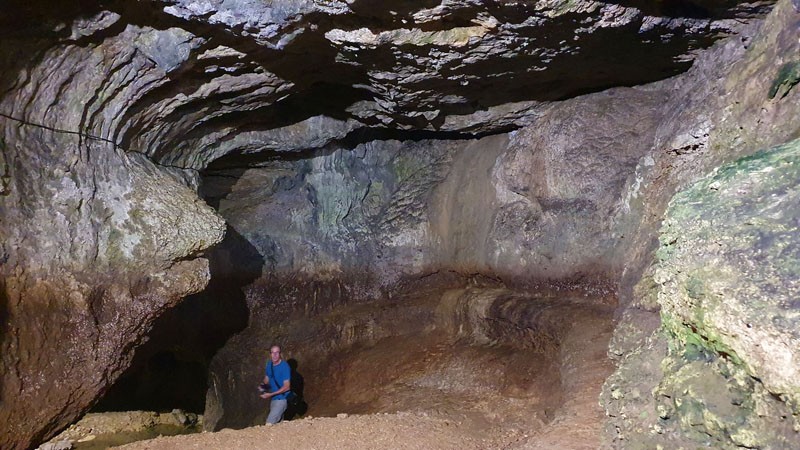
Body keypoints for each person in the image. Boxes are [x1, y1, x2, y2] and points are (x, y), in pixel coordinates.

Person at [260, 345, 291, 424]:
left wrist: (270, 394)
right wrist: (262, 388)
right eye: (273, 353)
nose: (275, 355)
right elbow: (267, 378)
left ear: (280, 354)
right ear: (270, 354)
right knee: (278, 426)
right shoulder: (269, 365)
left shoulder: (284, 367)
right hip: (273, 400)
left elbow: (287, 387)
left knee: (269, 423)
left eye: (277, 352)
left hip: (281, 400)